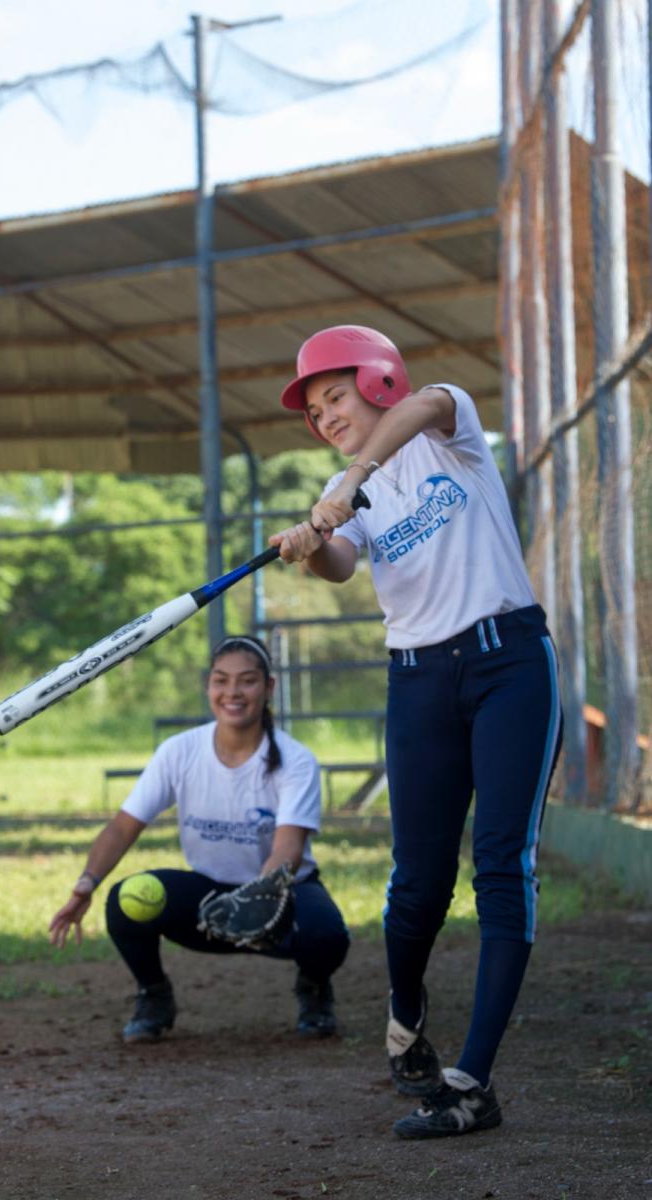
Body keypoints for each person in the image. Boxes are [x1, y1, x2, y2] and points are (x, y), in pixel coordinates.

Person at [269, 325, 562, 1139]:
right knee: (418, 882)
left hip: (508, 666)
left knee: (502, 864)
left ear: (377, 381)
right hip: (416, 681)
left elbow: (431, 402)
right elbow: (341, 564)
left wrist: (352, 480)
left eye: (336, 395)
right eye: (315, 408)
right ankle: (405, 1020)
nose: (325, 415)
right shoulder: (342, 486)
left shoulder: (446, 427)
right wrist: (312, 541)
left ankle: (470, 1083)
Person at [49, 634, 350, 1043]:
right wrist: (85, 885)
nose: (233, 692)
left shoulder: (296, 760)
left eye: (247, 681)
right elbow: (123, 826)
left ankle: (313, 989)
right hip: (209, 901)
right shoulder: (180, 751)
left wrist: (258, 898)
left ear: (268, 688)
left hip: (280, 894)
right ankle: (153, 996)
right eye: (221, 681)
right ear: (208, 686)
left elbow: (288, 847)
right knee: (127, 899)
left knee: (327, 936)